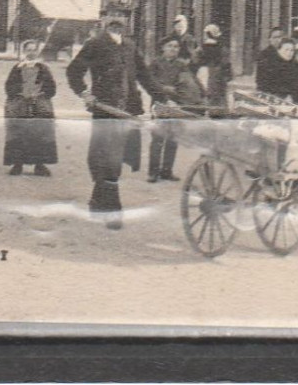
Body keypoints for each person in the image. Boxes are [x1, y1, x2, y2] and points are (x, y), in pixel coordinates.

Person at [67, 18, 147, 228]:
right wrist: (84, 93)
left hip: (128, 110)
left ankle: (97, 202)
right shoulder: (95, 44)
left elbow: (145, 76)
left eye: (122, 16)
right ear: (105, 22)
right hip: (105, 109)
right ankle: (112, 211)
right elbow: (74, 71)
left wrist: (164, 96)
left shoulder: (130, 46)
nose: (117, 22)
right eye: (112, 16)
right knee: (108, 158)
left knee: (114, 158)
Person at [144, 36, 205, 182]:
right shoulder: (155, 64)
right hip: (159, 105)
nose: (173, 49)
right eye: (170, 46)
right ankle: (153, 172)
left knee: (173, 139)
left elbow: (191, 82)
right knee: (158, 138)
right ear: (163, 48)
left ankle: (166, 171)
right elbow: (149, 83)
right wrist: (164, 89)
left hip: (177, 104)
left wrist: (202, 94)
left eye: (176, 47)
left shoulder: (181, 65)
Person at [2, 41, 58, 177]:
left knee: (40, 134)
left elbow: (51, 87)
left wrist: (40, 95)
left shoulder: (44, 68)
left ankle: (40, 165)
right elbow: (9, 86)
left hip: (38, 104)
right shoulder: (17, 68)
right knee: (19, 132)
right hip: (20, 104)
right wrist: (20, 94)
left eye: (34, 50)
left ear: (37, 51)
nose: (32, 52)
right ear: (24, 51)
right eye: (29, 50)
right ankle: (17, 164)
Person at [194, 22, 230, 111]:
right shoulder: (223, 48)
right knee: (218, 94)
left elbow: (195, 60)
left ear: (207, 34)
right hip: (218, 73)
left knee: (205, 92)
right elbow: (226, 63)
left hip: (204, 72)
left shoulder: (201, 48)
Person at [256, 36, 298, 102]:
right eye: (286, 50)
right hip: (271, 100)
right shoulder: (270, 65)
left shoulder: (294, 66)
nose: (289, 53)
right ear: (279, 50)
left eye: (292, 50)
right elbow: (264, 86)